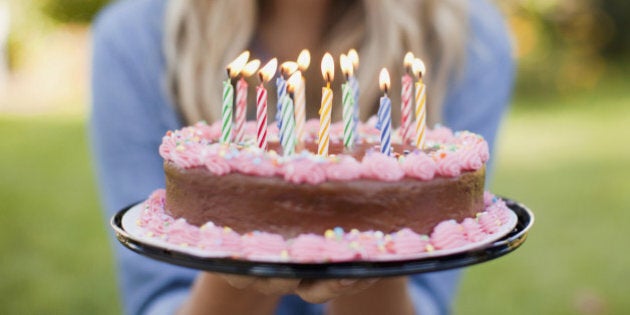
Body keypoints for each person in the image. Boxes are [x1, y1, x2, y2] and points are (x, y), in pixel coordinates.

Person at [90, 0, 514, 314]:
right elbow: (157, 298)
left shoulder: (469, 40)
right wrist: (243, 258)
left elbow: (428, 298)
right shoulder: (135, 38)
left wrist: (375, 242)